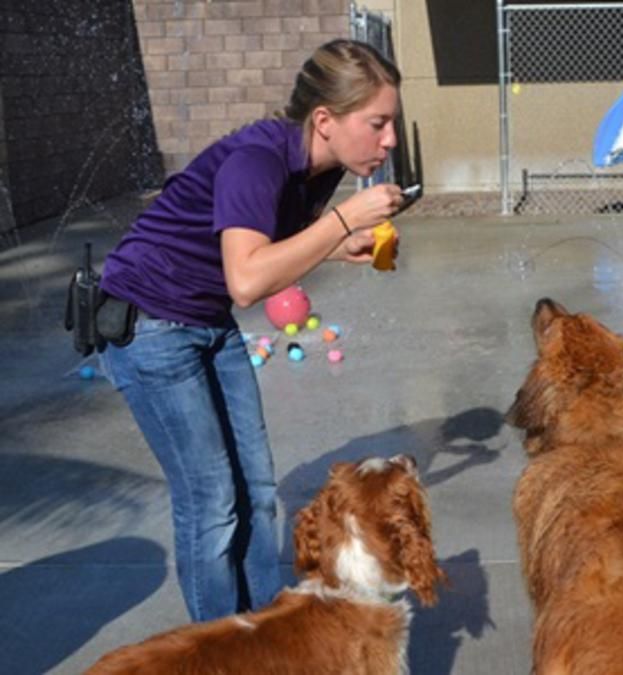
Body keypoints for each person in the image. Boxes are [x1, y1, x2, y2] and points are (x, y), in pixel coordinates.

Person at [98, 39, 405, 622]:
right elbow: (246, 280)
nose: (389, 140)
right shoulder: (257, 161)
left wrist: (338, 246)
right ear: (325, 120)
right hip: (152, 322)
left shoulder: (320, 167)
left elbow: (270, 250)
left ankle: (269, 634)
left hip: (204, 319)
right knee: (211, 501)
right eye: (378, 123)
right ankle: (222, 649)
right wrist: (342, 220)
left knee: (259, 495)